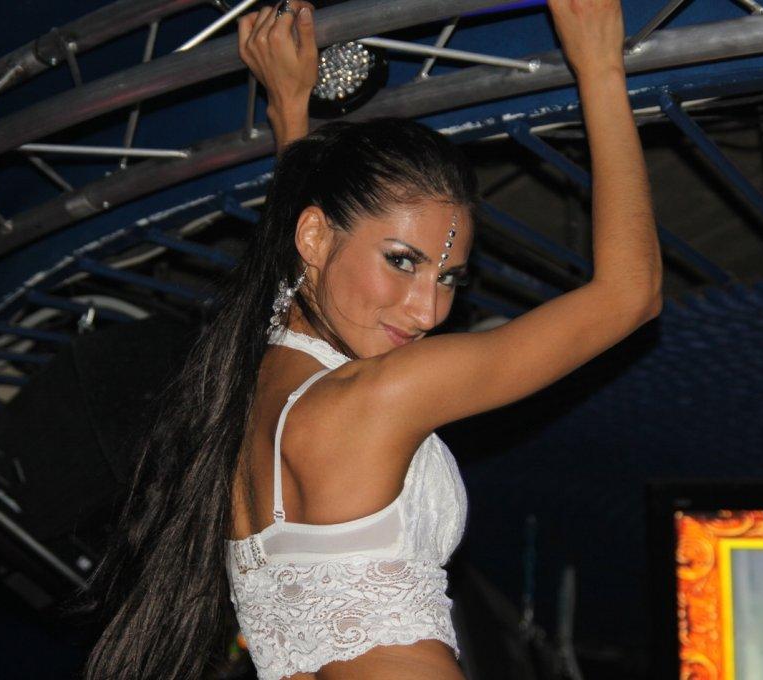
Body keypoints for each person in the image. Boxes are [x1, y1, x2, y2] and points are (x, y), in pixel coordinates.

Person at [82, 0, 661, 678]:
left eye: (449, 277)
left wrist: (290, 112)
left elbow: (306, 252)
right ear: (313, 236)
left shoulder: (247, 392)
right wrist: (598, 67)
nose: (427, 311)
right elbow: (630, 295)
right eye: (402, 261)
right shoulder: (380, 395)